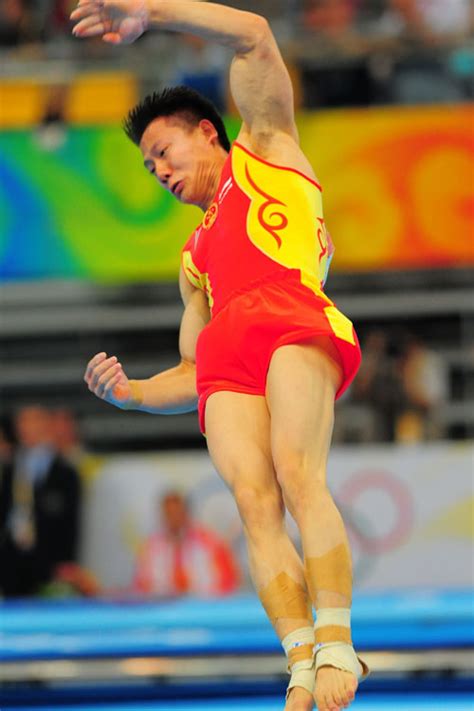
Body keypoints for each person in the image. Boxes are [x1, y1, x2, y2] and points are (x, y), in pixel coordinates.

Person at [71, 2, 368, 709]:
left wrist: (150, 13)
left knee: (299, 475)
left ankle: (336, 640)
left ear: (208, 132)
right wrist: (131, 394)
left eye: (164, 154)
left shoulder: (267, 149)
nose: (160, 173)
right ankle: (300, 660)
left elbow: (256, 34)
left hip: (291, 309)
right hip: (229, 349)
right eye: (148, 169)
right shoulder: (192, 258)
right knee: (254, 505)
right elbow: (192, 368)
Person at [0, 405, 82, 597]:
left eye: (33, 421)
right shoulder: (10, 466)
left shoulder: (65, 472)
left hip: (49, 559)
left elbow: (71, 521)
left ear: (46, 425)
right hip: (12, 556)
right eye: (22, 421)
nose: (27, 427)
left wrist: (67, 561)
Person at [132, 490, 240, 596]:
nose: (174, 519)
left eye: (177, 513)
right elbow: (141, 585)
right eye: (169, 514)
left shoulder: (210, 544)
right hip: (163, 609)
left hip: (203, 607)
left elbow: (229, 582)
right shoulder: (151, 548)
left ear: (186, 513)